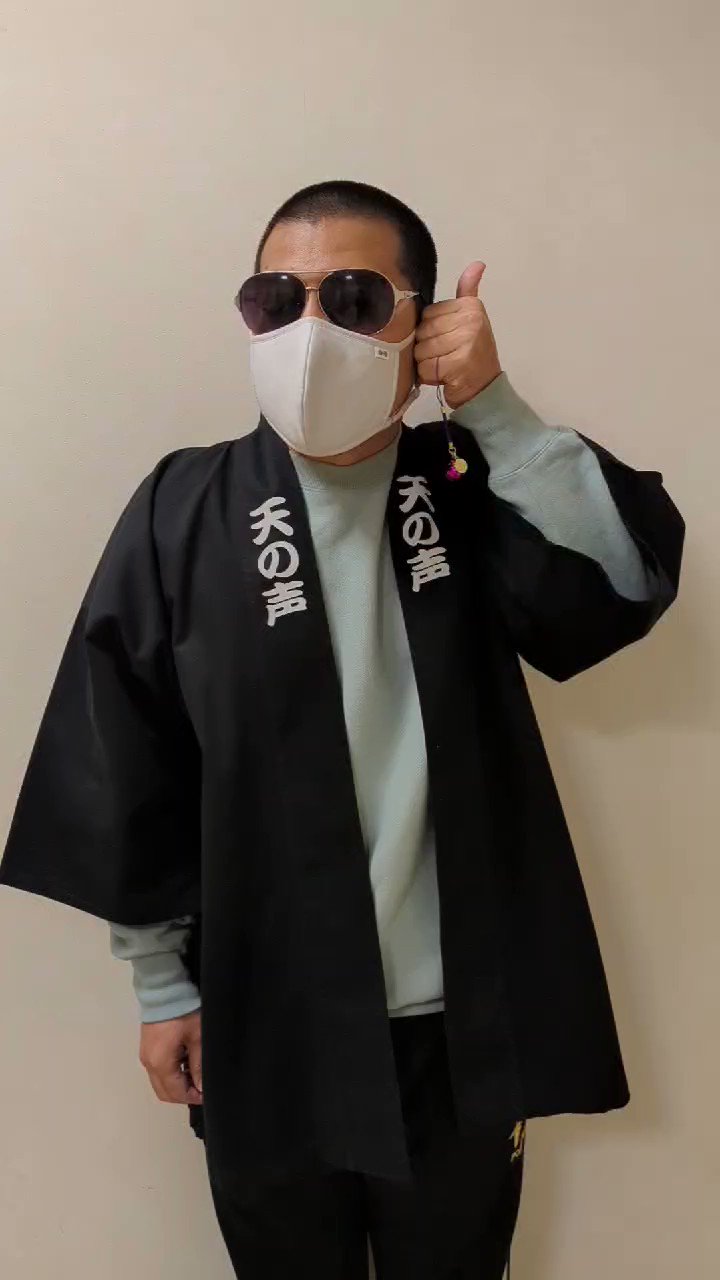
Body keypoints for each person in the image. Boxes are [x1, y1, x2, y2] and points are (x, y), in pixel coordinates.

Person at [0, 180, 684, 1279]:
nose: (311, 329)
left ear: (419, 323)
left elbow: (614, 588)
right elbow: (126, 760)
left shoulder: (463, 484)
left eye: (356, 298)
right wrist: (163, 986)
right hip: (265, 1016)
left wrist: (495, 408)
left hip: (459, 1028)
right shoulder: (184, 507)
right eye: (277, 300)